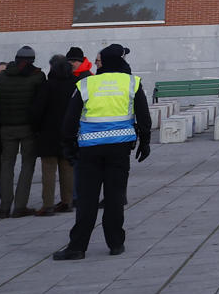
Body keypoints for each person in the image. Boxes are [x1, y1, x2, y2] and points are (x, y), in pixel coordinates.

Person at [52, 44, 151, 261]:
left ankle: (77, 247)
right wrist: (145, 143)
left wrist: (68, 147)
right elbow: (143, 116)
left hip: (89, 150)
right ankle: (116, 243)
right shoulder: (132, 83)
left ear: (104, 62)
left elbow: (69, 120)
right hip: (119, 149)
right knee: (115, 197)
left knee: (87, 199)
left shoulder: (86, 84)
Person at [0, 46, 46, 218]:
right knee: (27, 165)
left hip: (6, 126)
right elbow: (40, 104)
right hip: (28, 127)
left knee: (6, 164)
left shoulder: (1, 78)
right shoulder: (37, 77)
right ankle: (20, 206)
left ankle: (5, 205)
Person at [37, 55, 76, 215]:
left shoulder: (47, 85)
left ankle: (48, 205)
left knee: (48, 170)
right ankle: (67, 202)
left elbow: (37, 110)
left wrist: (37, 127)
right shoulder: (74, 85)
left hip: (48, 133)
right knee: (67, 169)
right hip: (68, 132)